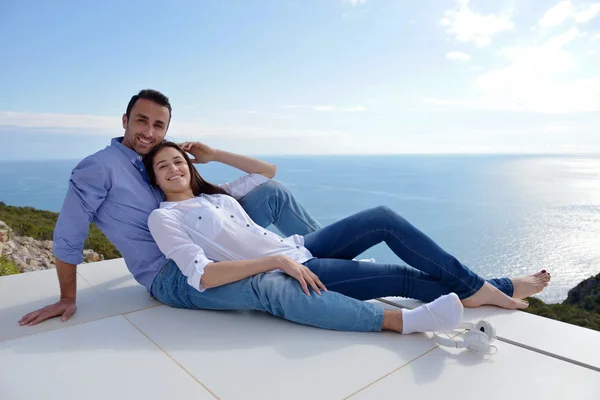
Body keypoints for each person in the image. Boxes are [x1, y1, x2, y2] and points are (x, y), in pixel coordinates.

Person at [142, 140, 552, 334]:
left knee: (382, 217)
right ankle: (490, 287)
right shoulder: (164, 218)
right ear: (155, 179)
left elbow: (267, 172)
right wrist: (275, 262)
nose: (175, 169)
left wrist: (215, 156)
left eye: (178, 161)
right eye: (164, 167)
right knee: (399, 277)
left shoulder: (218, 195)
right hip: (296, 268)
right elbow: (204, 276)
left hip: (300, 249)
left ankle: (477, 287)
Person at [18, 89, 323, 327]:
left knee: (271, 192)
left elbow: (256, 177)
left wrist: (213, 155)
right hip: (172, 270)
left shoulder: (161, 161)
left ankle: (323, 260)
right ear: (125, 120)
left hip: (206, 240)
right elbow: (69, 233)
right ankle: (328, 277)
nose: (149, 133)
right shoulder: (98, 167)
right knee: (268, 287)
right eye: (141, 121)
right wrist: (67, 297)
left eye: (158, 125)